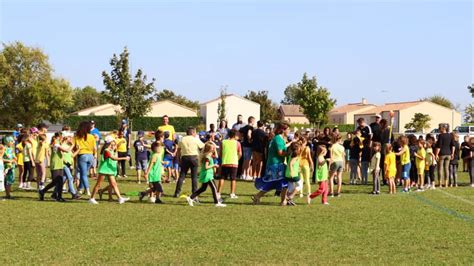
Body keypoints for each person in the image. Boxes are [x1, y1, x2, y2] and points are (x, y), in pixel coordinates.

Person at [252, 122, 290, 206]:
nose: (289, 131)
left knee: (274, 183)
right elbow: (280, 153)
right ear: (283, 130)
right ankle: (283, 201)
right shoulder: (278, 139)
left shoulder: (277, 138)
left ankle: (258, 196)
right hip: (276, 164)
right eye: (288, 129)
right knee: (283, 182)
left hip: (275, 164)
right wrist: (290, 153)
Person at [89, 136, 130, 204]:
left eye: (114, 144)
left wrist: (115, 149)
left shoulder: (111, 151)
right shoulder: (106, 151)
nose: (113, 145)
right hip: (104, 170)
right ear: (108, 143)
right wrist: (124, 158)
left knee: (114, 184)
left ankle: (120, 198)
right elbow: (113, 158)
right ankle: (92, 198)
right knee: (98, 185)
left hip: (110, 170)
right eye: (112, 144)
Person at [186, 142, 225, 207]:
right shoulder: (207, 157)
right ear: (209, 149)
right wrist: (213, 165)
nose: (214, 149)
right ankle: (216, 202)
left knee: (203, 188)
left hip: (208, 174)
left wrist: (214, 148)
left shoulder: (209, 155)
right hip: (207, 175)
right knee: (214, 188)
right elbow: (206, 167)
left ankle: (190, 198)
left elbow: (217, 156)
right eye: (213, 148)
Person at [38, 132, 73, 202]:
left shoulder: (58, 143)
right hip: (55, 164)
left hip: (59, 164)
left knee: (60, 181)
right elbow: (66, 151)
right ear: (59, 137)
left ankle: (59, 197)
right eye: (62, 137)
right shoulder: (56, 144)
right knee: (55, 181)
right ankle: (42, 191)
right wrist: (73, 145)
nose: (63, 138)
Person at [173, 127, 204, 197]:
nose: (196, 134)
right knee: (194, 177)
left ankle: (177, 192)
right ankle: (194, 192)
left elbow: (178, 150)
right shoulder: (195, 139)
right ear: (192, 132)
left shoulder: (182, 139)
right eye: (195, 132)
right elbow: (203, 147)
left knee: (182, 176)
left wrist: (178, 158)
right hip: (194, 157)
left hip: (184, 158)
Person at [74, 121, 97, 196]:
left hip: (82, 156)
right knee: (84, 174)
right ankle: (80, 189)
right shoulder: (91, 136)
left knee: (83, 174)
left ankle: (87, 190)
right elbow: (94, 148)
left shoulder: (77, 137)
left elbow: (76, 147)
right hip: (90, 156)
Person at [217, 129, 241, 199]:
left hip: (225, 162)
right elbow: (240, 153)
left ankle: (218, 193)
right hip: (234, 163)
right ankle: (232, 193)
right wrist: (237, 159)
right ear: (235, 135)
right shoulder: (237, 143)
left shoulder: (223, 142)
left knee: (222, 178)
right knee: (233, 179)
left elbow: (220, 153)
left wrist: (222, 159)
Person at [285, 141, 302, 206]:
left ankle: (288, 201)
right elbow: (291, 163)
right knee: (300, 185)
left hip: (287, 174)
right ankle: (291, 196)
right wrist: (292, 172)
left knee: (290, 188)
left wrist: (298, 168)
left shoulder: (291, 153)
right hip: (293, 174)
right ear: (297, 148)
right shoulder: (296, 155)